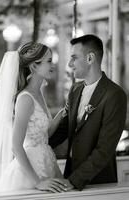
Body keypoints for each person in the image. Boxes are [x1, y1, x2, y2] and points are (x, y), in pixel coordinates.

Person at [49, 34, 127, 191]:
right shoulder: (75, 90)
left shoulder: (114, 95)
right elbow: (63, 130)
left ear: (90, 58)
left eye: (74, 58)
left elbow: (105, 149)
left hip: (98, 183)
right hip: (68, 176)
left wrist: (74, 181)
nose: (70, 64)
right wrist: (36, 148)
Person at [0, 42, 68, 193]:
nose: (52, 65)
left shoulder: (39, 93)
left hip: (47, 160)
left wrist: (63, 112)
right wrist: (38, 181)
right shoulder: (25, 99)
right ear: (34, 66)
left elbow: (44, 134)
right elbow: (16, 145)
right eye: (48, 61)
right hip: (29, 170)